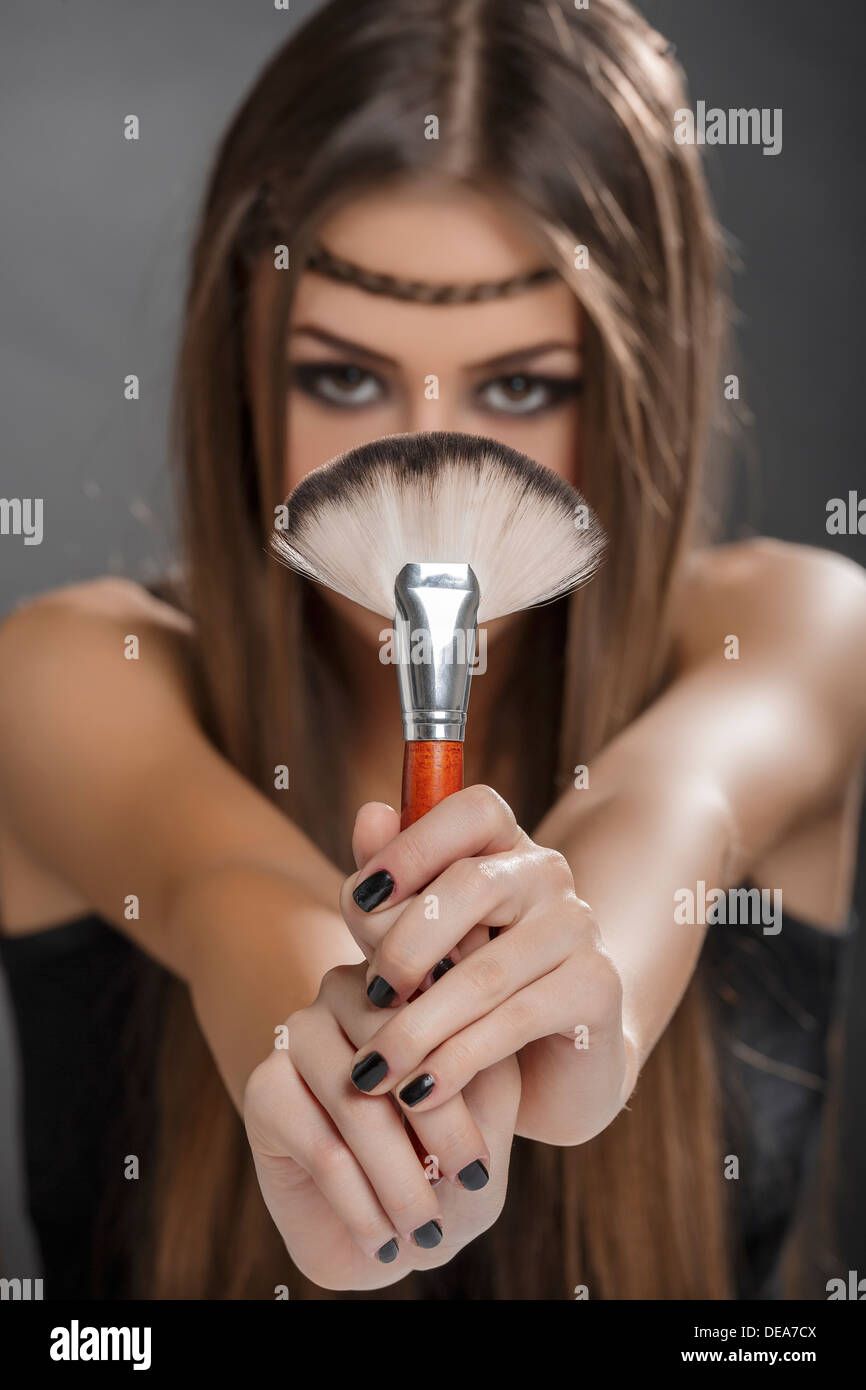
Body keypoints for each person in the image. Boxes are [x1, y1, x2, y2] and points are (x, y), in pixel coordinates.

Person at [0, 0, 863, 1301]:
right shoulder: (72, 670)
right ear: (245, 374)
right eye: (343, 378)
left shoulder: (803, 630)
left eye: (519, 386)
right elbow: (218, 887)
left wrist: (593, 1005)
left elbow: (675, 804)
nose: (424, 450)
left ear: (633, 391)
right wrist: (344, 1075)